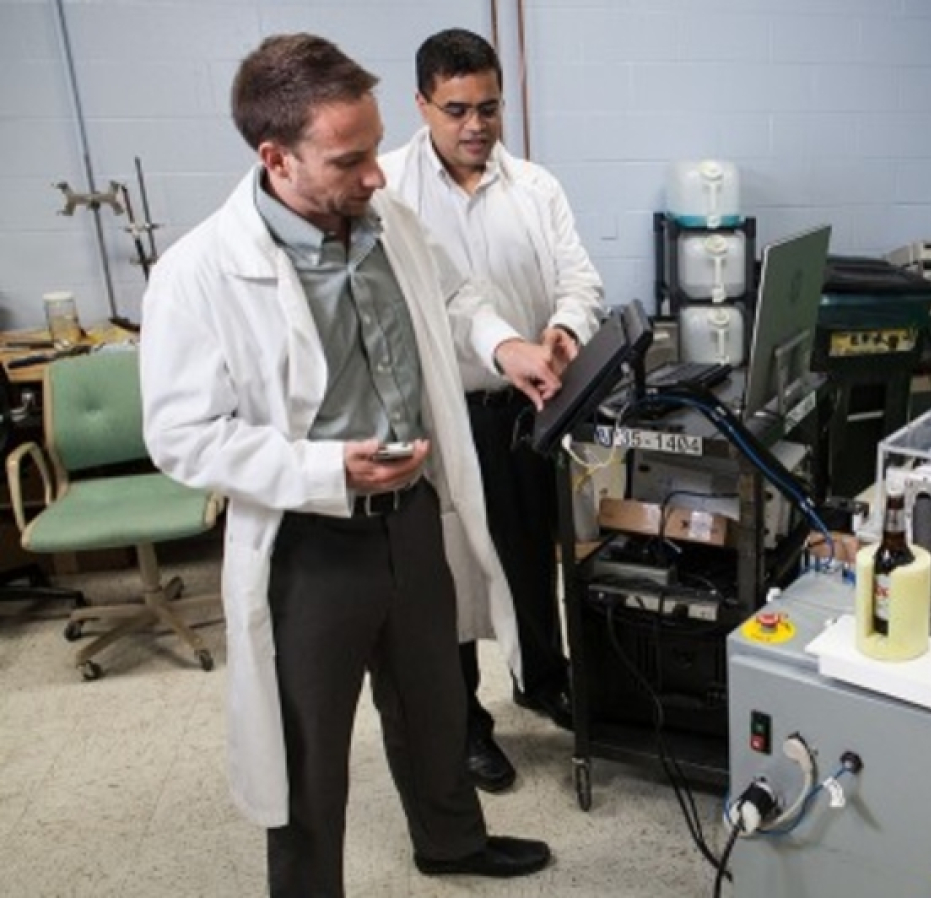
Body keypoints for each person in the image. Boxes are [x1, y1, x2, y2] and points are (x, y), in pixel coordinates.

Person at [138, 33, 560, 897]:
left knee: (435, 703)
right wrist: (324, 471)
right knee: (308, 749)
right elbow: (182, 434)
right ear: (276, 157)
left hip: (413, 518)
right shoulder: (198, 274)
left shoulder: (384, 222)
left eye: (375, 149)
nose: (377, 174)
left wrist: (505, 343)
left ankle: (450, 843)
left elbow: (452, 294)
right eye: (350, 159)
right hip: (310, 543)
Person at [382, 27, 604, 793]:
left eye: (489, 107)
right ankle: (465, 724)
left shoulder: (535, 188)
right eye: (457, 109)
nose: (476, 125)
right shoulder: (385, 191)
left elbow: (581, 279)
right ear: (421, 105)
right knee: (448, 578)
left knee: (528, 554)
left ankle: (542, 680)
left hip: (526, 406)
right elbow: (441, 304)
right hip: (438, 415)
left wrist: (566, 328)